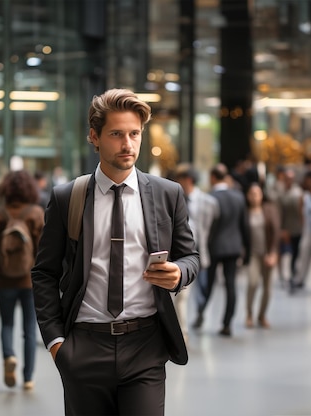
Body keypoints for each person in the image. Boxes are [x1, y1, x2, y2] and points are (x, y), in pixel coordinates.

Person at [31, 88, 199, 416]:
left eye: (135, 134)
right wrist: (56, 343)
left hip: (145, 345)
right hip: (84, 345)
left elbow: (191, 256)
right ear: (94, 137)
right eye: (117, 134)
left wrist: (179, 273)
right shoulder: (68, 198)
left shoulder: (168, 194)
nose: (128, 144)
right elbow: (44, 272)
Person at [0, 170, 45, 391]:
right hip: (29, 281)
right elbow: (43, 251)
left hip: (4, 279)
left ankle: (9, 356)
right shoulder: (36, 213)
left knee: (7, 324)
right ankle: (28, 378)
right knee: (29, 328)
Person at [193, 163, 249, 337]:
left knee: (207, 285)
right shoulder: (238, 197)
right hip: (233, 247)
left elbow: (206, 227)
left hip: (213, 247)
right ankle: (227, 323)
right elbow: (244, 226)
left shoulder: (209, 198)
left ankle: (201, 313)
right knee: (230, 285)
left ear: (212, 177)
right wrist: (247, 249)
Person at [173, 163, 219, 344]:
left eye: (180, 179)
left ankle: (200, 313)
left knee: (203, 291)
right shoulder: (175, 199)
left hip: (203, 254)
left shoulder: (209, 202)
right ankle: (183, 333)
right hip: (183, 257)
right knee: (182, 296)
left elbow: (214, 227)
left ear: (188, 180)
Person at [244, 182, 280, 329]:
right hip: (252, 253)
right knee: (252, 283)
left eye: (257, 194)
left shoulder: (269, 210)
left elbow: (276, 232)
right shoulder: (245, 212)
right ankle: (249, 315)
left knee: (267, 287)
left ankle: (262, 315)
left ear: (262, 195)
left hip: (267, 253)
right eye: (251, 194)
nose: (254, 197)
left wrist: (273, 253)